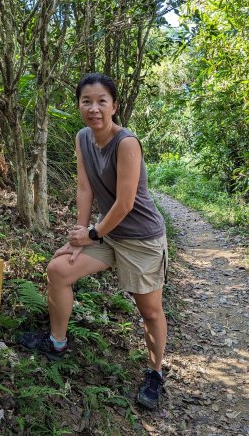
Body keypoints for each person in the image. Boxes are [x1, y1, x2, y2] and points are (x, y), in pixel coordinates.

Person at [18, 73, 168, 409]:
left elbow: (125, 203)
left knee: (150, 311)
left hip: (141, 238)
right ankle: (57, 342)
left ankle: (155, 374)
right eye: (87, 101)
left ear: (114, 106)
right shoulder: (83, 138)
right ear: (79, 106)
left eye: (102, 101)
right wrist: (79, 235)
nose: (94, 108)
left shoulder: (126, 143)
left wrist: (93, 233)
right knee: (58, 270)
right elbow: (85, 188)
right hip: (105, 232)